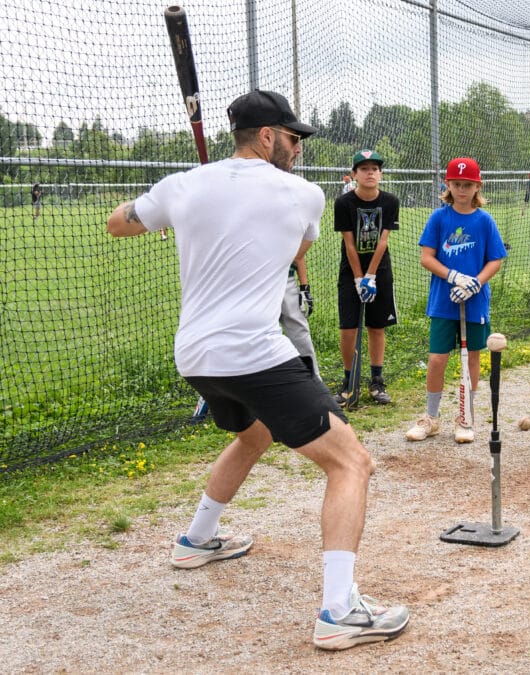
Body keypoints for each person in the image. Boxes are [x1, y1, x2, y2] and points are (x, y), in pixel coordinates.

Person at [105, 89, 408, 651]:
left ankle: (196, 540)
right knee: (352, 464)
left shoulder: (183, 186)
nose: (297, 148)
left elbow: (117, 223)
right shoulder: (303, 195)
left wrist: (180, 211)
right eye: (292, 138)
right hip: (252, 353)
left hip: (195, 355)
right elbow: (294, 245)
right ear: (266, 136)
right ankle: (340, 610)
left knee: (256, 433)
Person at [406, 157, 507, 443]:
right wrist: (453, 276)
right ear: (447, 185)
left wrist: (475, 282)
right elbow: (427, 257)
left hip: (475, 300)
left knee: (471, 357)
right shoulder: (439, 218)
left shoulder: (484, 220)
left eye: (468, 185)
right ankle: (431, 417)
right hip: (443, 300)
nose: (462, 189)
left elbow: (495, 260)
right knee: (438, 358)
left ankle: (466, 416)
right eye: (457, 184)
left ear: (477, 187)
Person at [334, 149, 398, 405]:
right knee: (348, 327)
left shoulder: (390, 201)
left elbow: (383, 241)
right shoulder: (344, 203)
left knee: (376, 326)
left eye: (374, 169)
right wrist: (359, 279)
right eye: (364, 169)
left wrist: (370, 276)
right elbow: (349, 244)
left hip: (379, 272)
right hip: (351, 272)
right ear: (354, 174)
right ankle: (349, 381)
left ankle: (377, 381)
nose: (370, 173)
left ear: (380, 174)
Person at [280, 249, 320, 380]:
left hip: (286, 280)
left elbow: (299, 252)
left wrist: (304, 288)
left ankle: (314, 382)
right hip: (256, 283)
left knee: (300, 333)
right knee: (261, 336)